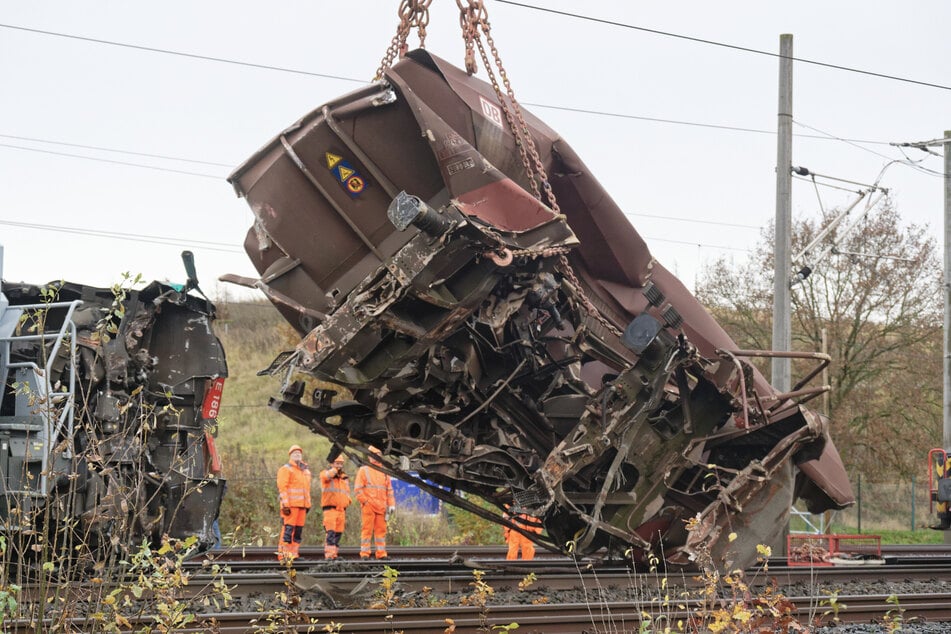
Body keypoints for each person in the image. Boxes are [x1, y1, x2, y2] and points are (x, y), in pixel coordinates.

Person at [355, 446, 396, 560]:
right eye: (374, 455)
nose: (376, 458)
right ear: (369, 456)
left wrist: (391, 504)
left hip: (381, 507)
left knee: (381, 532)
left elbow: (389, 490)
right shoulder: (364, 470)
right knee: (367, 531)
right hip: (369, 507)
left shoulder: (384, 472)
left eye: (378, 455)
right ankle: (364, 554)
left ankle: (381, 554)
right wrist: (366, 502)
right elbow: (358, 490)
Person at [277, 444, 312, 561]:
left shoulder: (305, 471)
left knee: (297, 533)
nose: (297, 454)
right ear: (290, 455)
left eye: (299, 453)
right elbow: (283, 488)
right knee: (288, 531)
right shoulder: (286, 469)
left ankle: (293, 555)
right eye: (294, 453)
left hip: (302, 506)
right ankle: (284, 555)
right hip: (291, 507)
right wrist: (285, 505)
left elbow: (306, 489)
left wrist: (308, 504)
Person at [319, 454, 352, 559]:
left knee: (338, 533)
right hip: (330, 509)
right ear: (331, 463)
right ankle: (329, 556)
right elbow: (326, 476)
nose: (339, 466)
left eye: (341, 464)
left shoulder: (344, 478)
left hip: (341, 510)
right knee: (331, 533)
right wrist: (335, 470)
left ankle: (334, 555)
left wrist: (348, 501)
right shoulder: (325, 473)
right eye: (337, 463)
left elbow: (346, 492)